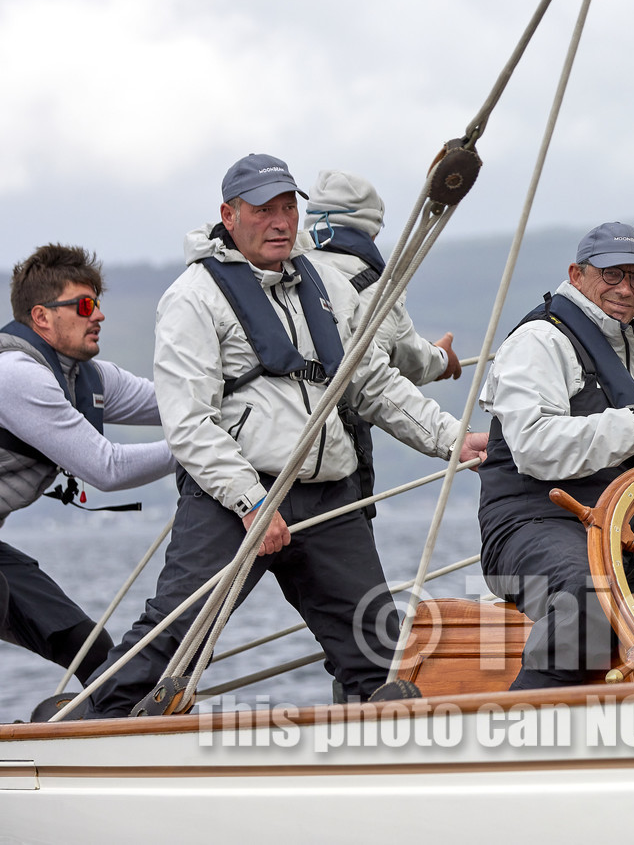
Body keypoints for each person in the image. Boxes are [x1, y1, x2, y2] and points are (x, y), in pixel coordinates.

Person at [87, 154, 487, 717]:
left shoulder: (325, 284)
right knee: (172, 637)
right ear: (229, 215)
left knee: (381, 655)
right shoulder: (192, 298)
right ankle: (79, 733)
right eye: (263, 210)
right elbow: (189, 422)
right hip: (238, 499)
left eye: (288, 207)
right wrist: (251, 501)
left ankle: (397, 769)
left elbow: (369, 380)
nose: (280, 221)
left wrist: (452, 439)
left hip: (328, 495)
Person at [477, 223, 634, 689]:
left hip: (619, 538)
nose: (626, 289)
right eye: (613, 274)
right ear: (577, 275)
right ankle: (522, 731)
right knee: (591, 595)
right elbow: (534, 447)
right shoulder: (539, 342)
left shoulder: (632, 350)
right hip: (529, 529)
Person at [0, 246, 175, 692]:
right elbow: (107, 468)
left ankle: (101, 736)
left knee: (89, 648)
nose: (97, 316)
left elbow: (175, 403)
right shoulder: (16, 375)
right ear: (41, 317)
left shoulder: (88, 377)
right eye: (83, 305)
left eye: (97, 304)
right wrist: (198, 446)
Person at [302, 169, 463, 512]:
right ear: (371, 229)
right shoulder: (377, 289)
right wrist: (442, 358)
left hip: (266, 458)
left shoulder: (287, 268)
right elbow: (405, 358)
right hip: (336, 457)